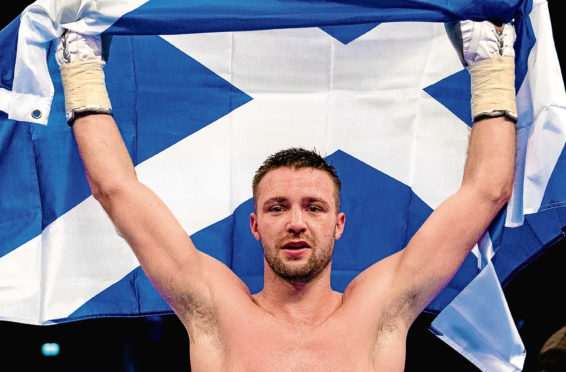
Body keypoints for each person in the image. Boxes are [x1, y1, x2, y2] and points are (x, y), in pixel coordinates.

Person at [56, 19, 518, 371]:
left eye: (313, 207)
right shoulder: (216, 309)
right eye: (277, 207)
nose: (296, 221)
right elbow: (116, 191)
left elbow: (487, 193)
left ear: (338, 224)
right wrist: (81, 66)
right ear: (255, 225)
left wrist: (492, 64)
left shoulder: (381, 309)